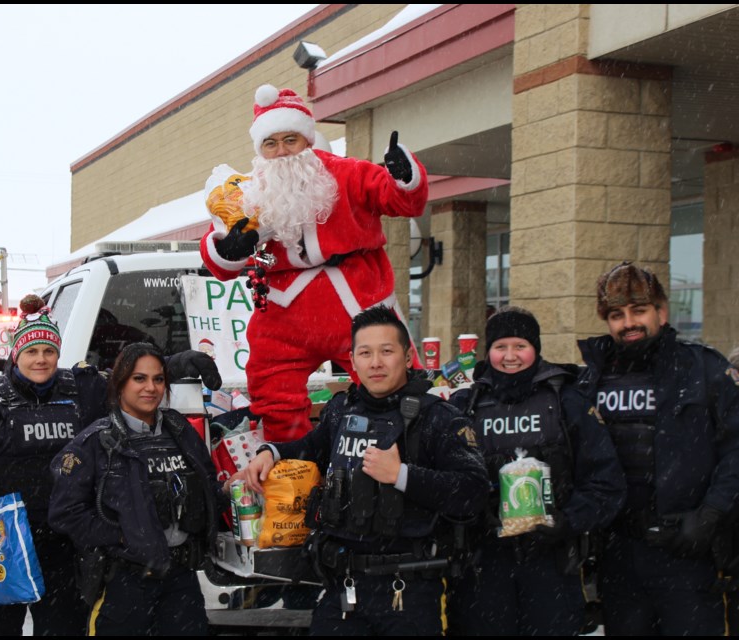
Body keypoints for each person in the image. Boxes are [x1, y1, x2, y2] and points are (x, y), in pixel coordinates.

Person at [0, 295, 221, 636]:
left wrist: (178, 363)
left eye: (48, 351)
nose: (41, 360)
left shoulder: (83, 388)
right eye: (31, 352)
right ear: (16, 354)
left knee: (63, 628)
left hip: (64, 542)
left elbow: (133, 375)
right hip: (5, 542)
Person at [200, 84, 429, 442]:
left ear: (307, 140)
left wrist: (403, 178)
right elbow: (220, 263)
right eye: (270, 143)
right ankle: (292, 464)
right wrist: (229, 248)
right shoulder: (247, 193)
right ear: (260, 149)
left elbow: (400, 201)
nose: (281, 152)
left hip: (357, 302)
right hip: (284, 310)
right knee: (273, 392)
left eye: (290, 140)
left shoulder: (348, 173)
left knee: (397, 384)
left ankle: (400, 451)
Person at [242, 305, 489, 636]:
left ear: (406, 355)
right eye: (365, 352)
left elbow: (473, 491)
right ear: (352, 359)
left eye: (387, 351)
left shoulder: (437, 418)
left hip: (407, 592)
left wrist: (401, 475)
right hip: (342, 588)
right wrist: (269, 453)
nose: (376, 362)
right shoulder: (342, 410)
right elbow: (311, 449)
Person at [577, 261, 739, 636]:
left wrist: (711, 515)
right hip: (619, 553)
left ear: (661, 312)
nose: (628, 322)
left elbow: (735, 450)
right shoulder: (593, 378)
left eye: (639, 310)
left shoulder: (704, 369)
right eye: (617, 315)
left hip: (688, 550)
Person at [445, 306, 626, 636]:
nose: (510, 356)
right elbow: (443, 477)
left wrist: (567, 520)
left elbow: (606, 482)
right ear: (489, 352)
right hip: (483, 564)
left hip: (552, 563)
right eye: (501, 347)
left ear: (536, 349)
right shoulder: (465, 405)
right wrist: (474, 511)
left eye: (520, 346)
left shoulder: (566, 401)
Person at [48, 342, 227, 636]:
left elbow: (206, 486)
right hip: (124, 582)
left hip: (181, 579)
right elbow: (64, 512)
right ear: (120, 383)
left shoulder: (180, 430)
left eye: (158, 379)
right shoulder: (96, 442)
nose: (151, 388)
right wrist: (120, 535)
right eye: (139, 379)